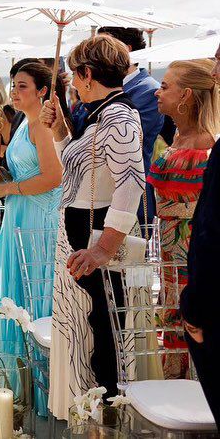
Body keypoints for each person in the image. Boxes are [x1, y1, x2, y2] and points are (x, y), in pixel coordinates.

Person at [42, 34, 145, 416]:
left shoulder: (119, 116)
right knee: (90, 328)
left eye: (75, 74)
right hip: (80, 230)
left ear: (87, 73)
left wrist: (103, 248)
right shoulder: (101, 112)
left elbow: (130, 185)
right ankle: (91, 410)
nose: (74, 81)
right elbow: (83, 172)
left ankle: (108, 414)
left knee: (103, 332)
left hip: (96, 235)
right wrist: (58, 132)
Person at [0, 62, 64, 360]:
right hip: (19, 214)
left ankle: (39, 371)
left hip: (38, 218)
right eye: (13, 85)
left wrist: (7, 189)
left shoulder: (42, 127)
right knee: (15, 288)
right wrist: (4, 176)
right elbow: (29, 171)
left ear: (43, 91)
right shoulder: (24, 121)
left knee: (34, 289)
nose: (14, 90)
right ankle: (19, 367)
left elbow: (53, 177)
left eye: (22, 85)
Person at [147, 59, 220, 380]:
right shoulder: (173, 139)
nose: (157, 93)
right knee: (172, 319)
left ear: (186, 95)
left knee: (192, 321)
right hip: (166, 254)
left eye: (165, 87)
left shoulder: (208, 148)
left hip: (192, 253)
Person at [181, 43, 220, 424]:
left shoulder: (212, 144)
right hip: (171, 234)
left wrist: (196, 302)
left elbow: (212, 228)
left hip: (191, 245)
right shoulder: (175, 138)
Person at [98, 26, 172, 224]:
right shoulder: (100, 91)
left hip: (131, 200)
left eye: (101, 48)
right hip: (100, 197)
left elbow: (119, 141)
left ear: (126, 49)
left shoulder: (148, 91)